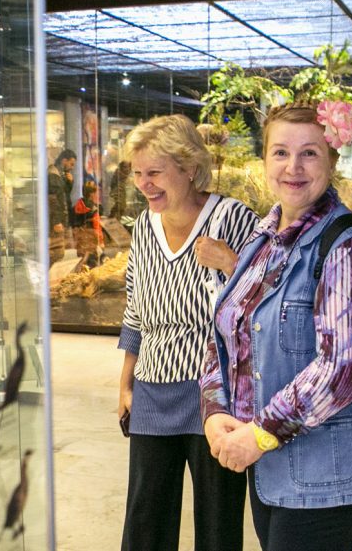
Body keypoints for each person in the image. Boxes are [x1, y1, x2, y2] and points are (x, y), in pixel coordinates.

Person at [199, 102, 352, 551]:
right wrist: (214, 411)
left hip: (327, 474)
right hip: (272, 465)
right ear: (264, 160)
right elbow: (228, 331)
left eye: (309, 153)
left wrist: (260, 432)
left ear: (332, 160)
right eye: (280, 152)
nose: (293, 167)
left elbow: (347, 365)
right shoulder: (262, 237)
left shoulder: (347, 247)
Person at [118, 115, 257, 551]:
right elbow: (135, 307)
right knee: (145, 516)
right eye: (137, 173)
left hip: (215, 394)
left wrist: (232, 264)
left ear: (190, 167)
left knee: (218, 520)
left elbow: (269, 300)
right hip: (153, 387)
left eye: (155, 172)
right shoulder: (143, 225)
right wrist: (124, 382)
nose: (145, 184)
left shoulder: (232, 218)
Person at [48, 148, 76, 264]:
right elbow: (53, 200)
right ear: (64, 160)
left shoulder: (60, 175)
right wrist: (56, 221)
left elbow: (63, 196)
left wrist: (69, 183)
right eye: (71, 164)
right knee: (57, 252)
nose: (72, 167)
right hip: (56, 222)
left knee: (61, 251)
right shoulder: (53, 175)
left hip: (60, 220)